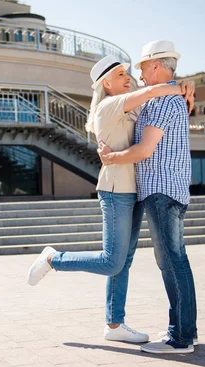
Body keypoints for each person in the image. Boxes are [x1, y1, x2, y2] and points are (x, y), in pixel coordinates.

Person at [27, 54, 194, 344]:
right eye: (120, 75)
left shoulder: (130, 108)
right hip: (116, 191)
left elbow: (158, 105)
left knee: (124, 260)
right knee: (112, 261)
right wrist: (180, 86)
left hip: (134, 190)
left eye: (128, 74)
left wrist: (187, 86)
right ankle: (54, 259)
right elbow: (154, 90)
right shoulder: (109, 105)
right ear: (106, 82)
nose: (128, 78)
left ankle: (114, 326)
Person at [97, 40, 198, 354]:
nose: (138, 73)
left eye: (141, 66)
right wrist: (185, 88)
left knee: (171, 262)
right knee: (175, 261)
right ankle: (184, 332)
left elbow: (143, 150)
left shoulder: (163, 102)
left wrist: (111, 158)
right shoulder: (168, 98)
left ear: (156, 65)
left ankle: (179, 338)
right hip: (167, 190)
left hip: (161, 190)